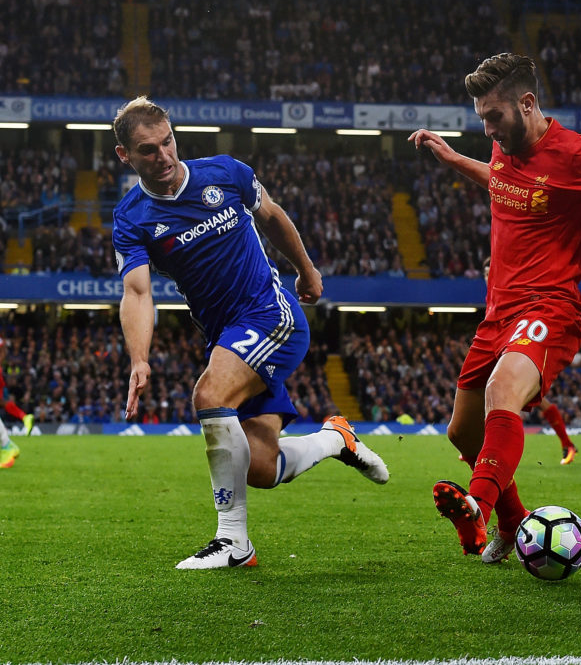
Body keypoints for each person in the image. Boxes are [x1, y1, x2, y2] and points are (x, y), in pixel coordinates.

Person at [408, 53, 581, 563]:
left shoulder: (580, 156)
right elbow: (504, 183)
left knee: (501, 390)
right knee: (461, 431)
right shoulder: (503, 145)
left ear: (527, 104)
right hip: (497, 311)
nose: (487, 128)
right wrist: (453, 160)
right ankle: (511, 524)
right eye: (482, 118)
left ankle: (478, 509)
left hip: (549, 307)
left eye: (494, 117)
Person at [111, 96, 389, 570]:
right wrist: (139, 357)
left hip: (269, 313)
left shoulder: (225, 172)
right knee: (261, 468)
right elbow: (137, 293)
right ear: (125, 156)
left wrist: (306, 270)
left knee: (209, 394)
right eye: (147, 151)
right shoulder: (132, 216)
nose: (163, 156)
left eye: (167, 142)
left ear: (174, 134)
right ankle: (336, 440)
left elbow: (273, 216)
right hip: (227, 335)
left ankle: (233, 542)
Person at [483, 256, 578, 465]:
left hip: (521, 347)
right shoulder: (492, 299)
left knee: (507, 400)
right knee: (497, 397)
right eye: (486, 273)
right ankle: (484, 450)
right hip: (499, 348)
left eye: (492, 271)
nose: (489, 276)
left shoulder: (512, 293)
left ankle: (491, 455)